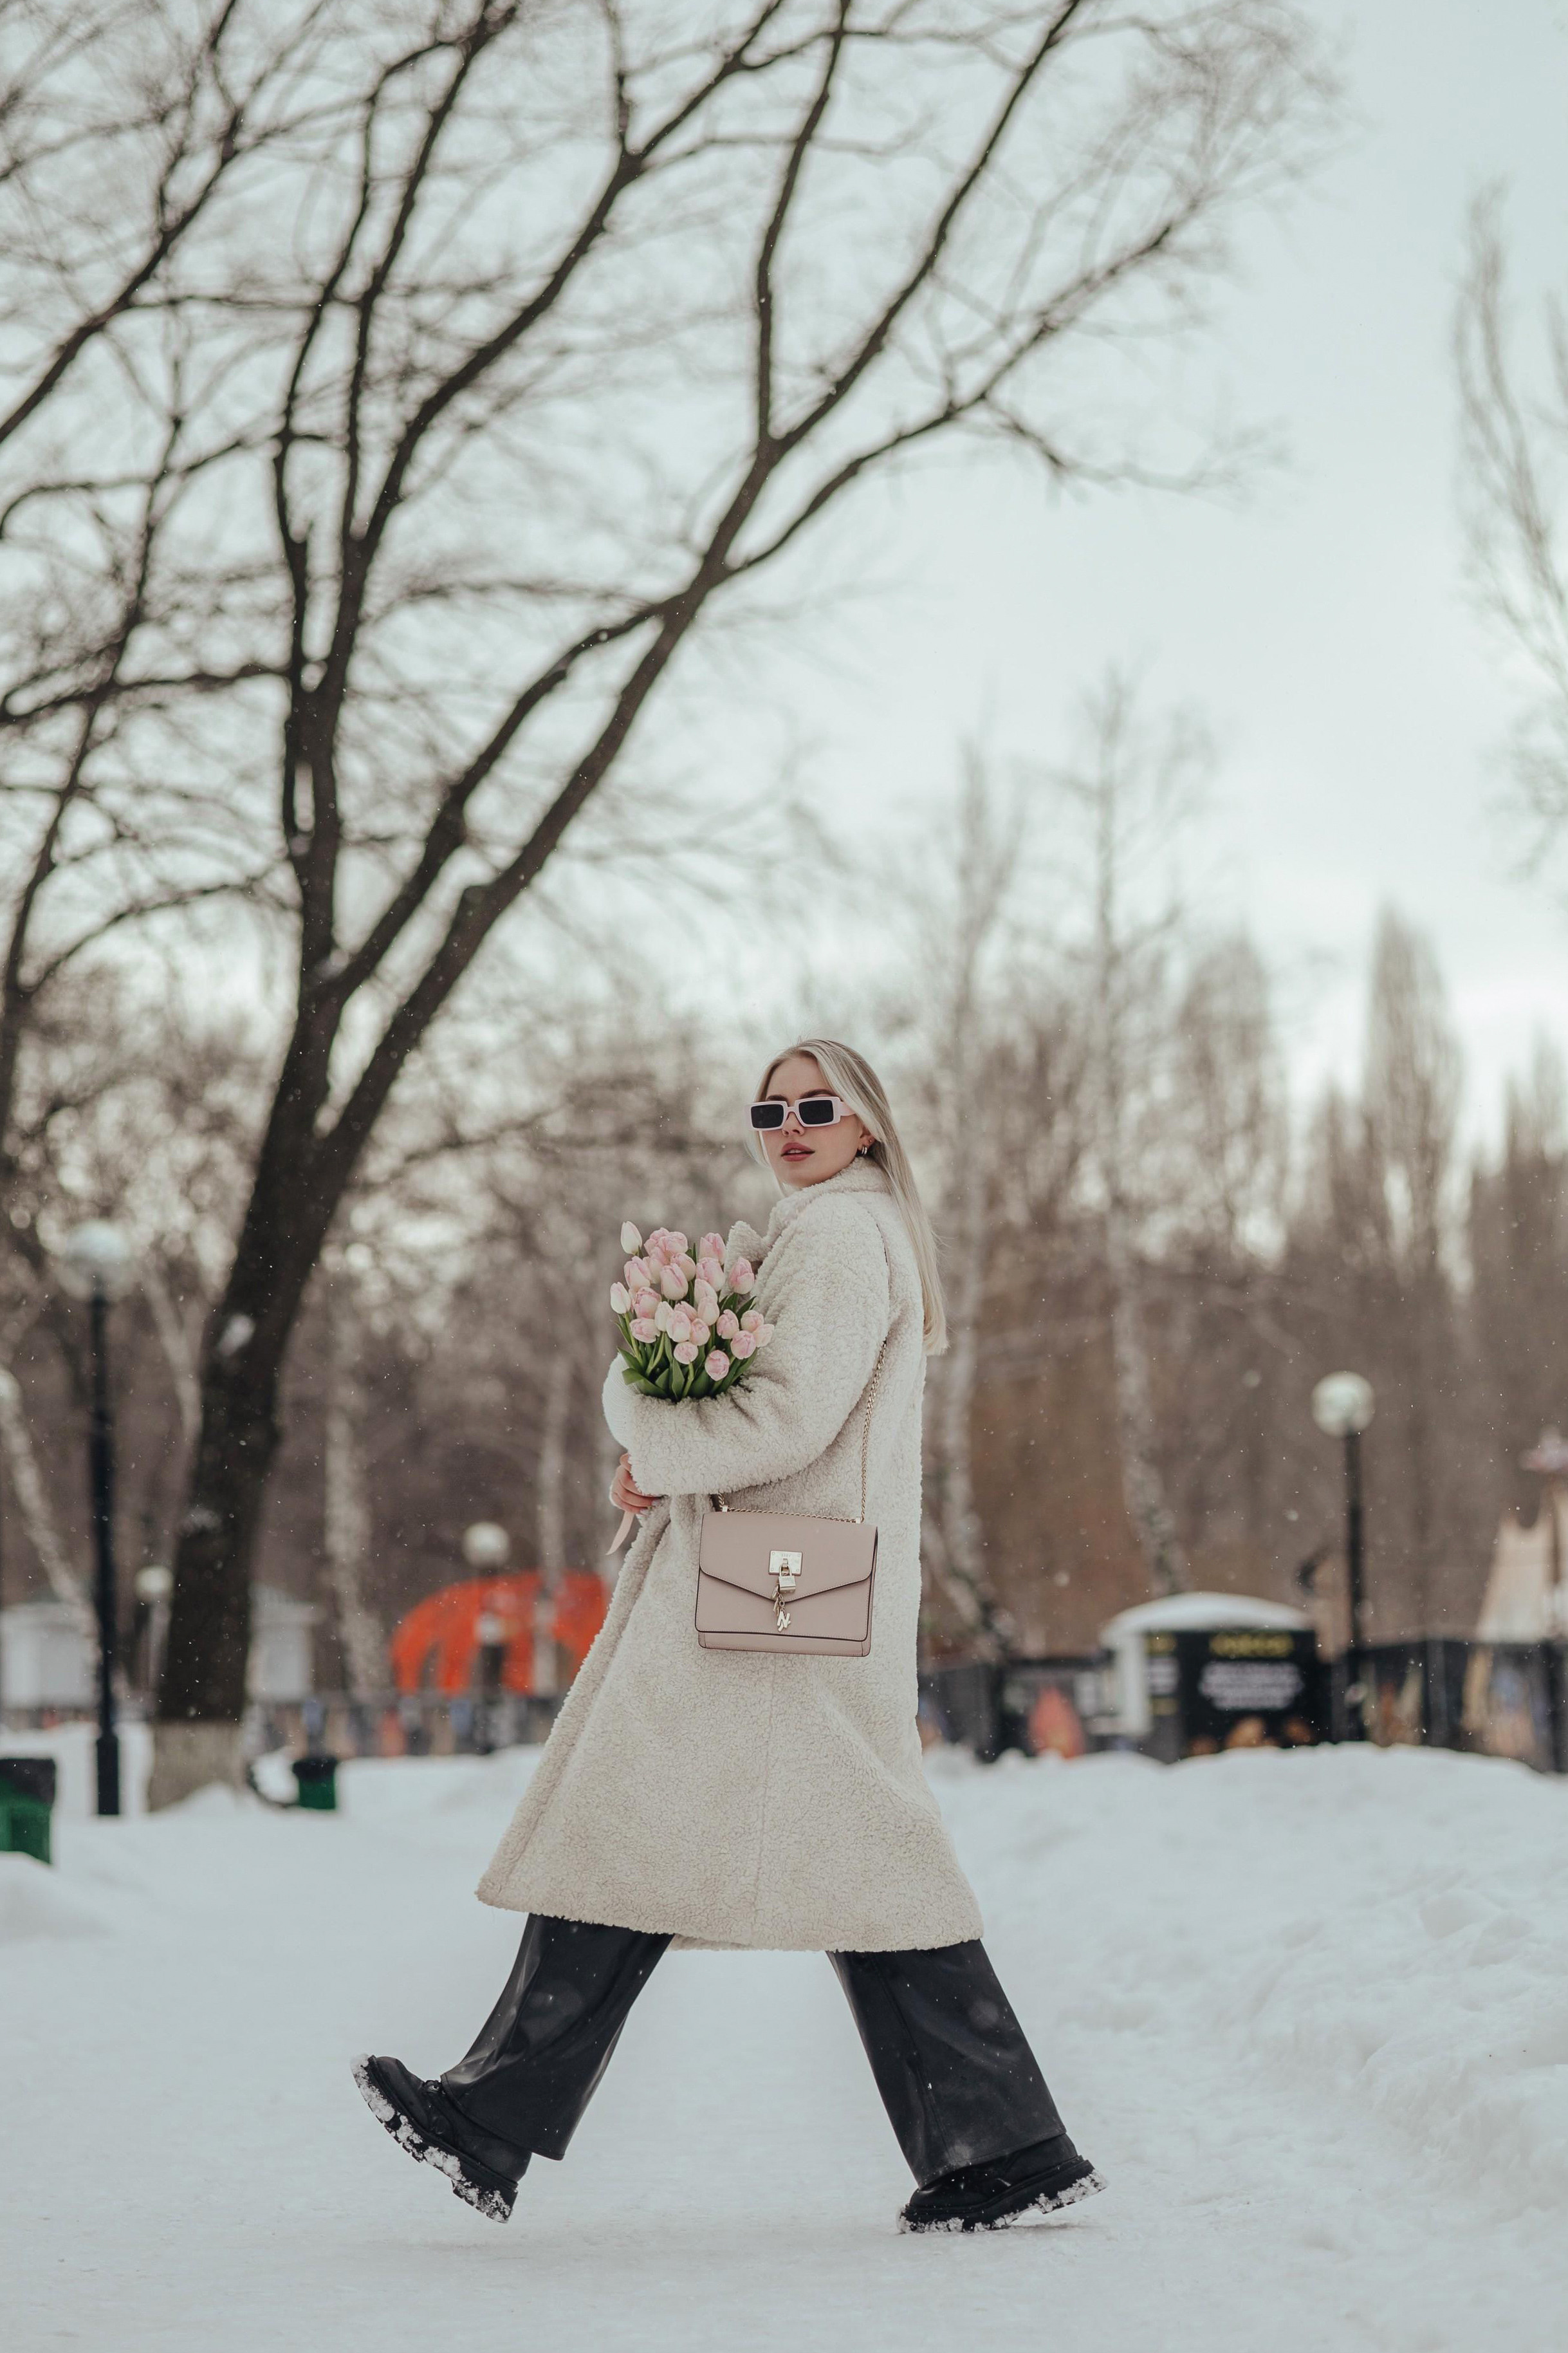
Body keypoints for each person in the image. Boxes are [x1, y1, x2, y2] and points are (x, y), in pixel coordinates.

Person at [354, 1040, 1102, 2235]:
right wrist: (671, 1448)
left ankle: (492, 2115)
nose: (791, 1124)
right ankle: (999, 2143)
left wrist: (652, 1433)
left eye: (818, 1106)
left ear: (867, 1125)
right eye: (772, 1107)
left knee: (640, 1817)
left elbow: (786, 1413)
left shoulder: (840, 1236)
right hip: (790, 1580)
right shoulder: (831, 1229)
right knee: (850, 1860)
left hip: (774, 1582)